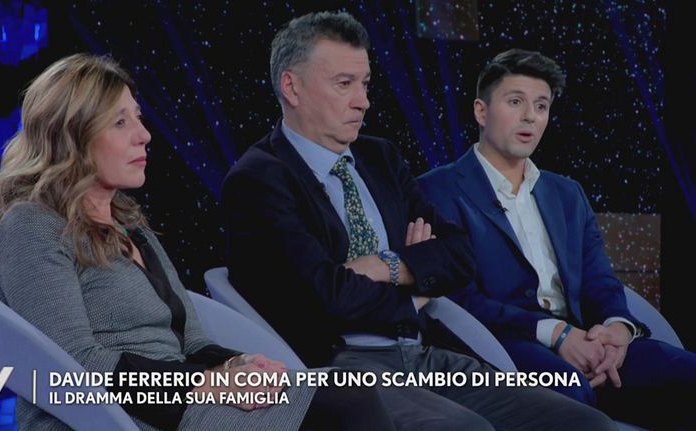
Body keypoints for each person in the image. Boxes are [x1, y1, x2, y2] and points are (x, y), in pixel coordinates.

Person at [223, 12, 617, 431]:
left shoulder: (380, 157)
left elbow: (459, 256)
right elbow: (327, 298)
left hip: (425, 352)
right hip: (343, 367)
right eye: (344, 84)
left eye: (365, 84)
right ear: (291, 87)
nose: (363, 101)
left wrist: (389, 266)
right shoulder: (259, 179)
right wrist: (414, 291)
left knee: (587, 425)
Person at [0, 53, 396, 431]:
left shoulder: (131, 226)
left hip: (184, 399)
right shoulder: (32, 226)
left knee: (351, 392)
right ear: (71, 136)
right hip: (117, 414)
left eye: (138, 118)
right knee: (346, 405)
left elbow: (190, 342)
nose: (144, 135)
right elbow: (72, 365)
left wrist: (241, 364)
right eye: (120, 123)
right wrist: (209, 384)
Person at [417, 48, 696, 429]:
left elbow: (600, 280)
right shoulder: (437, 191)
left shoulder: (566, 193)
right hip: (507, 341)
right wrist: (557, 334)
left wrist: (616, 330)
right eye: (516, 102)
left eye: (541, 106)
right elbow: (456, 298)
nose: (530, 116)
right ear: (481, 111)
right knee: (572, 392)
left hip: (587, 335)